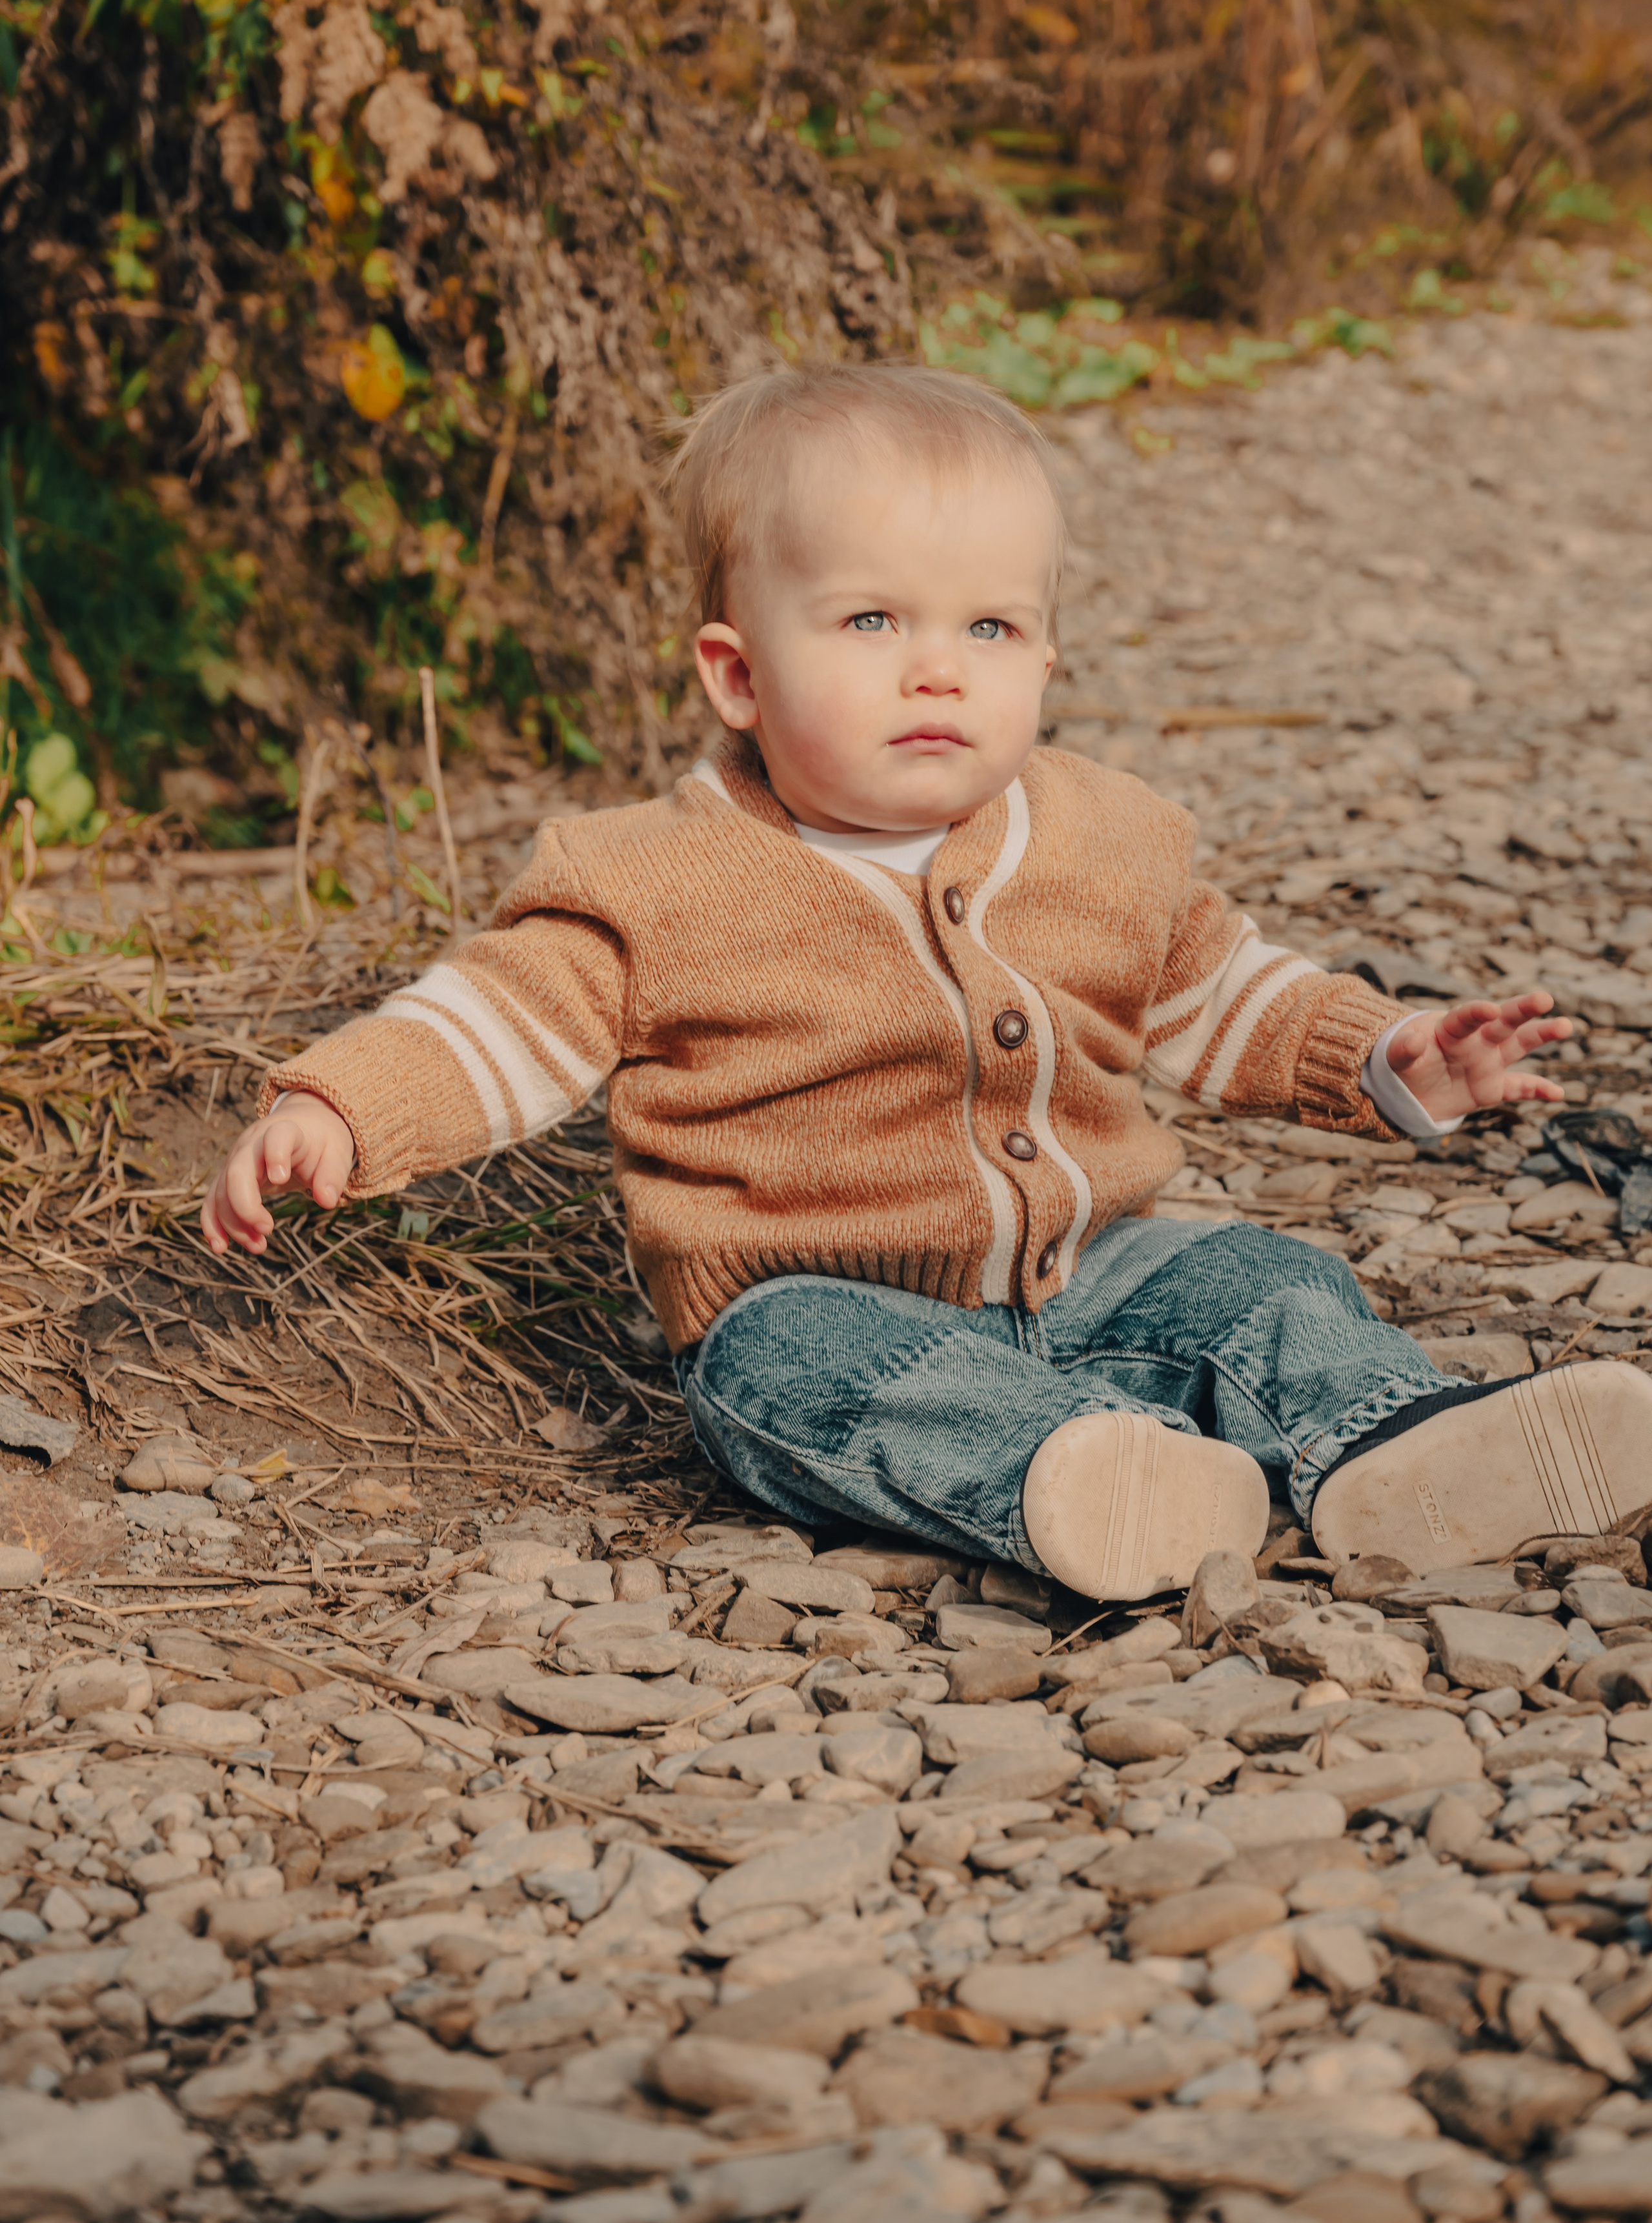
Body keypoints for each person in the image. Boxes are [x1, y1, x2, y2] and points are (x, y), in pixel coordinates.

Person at [199, 364, 1652, 1598]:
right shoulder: (649, 877)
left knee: (1264, 1279)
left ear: (1044, 656)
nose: (937, 672)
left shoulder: (1102, 835)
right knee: (785, 1380)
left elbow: (1214, 991)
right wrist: (342, 1108)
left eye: (988, 630)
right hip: (815, 1294)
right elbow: (497, 1019)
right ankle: (1076, 1483)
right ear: (736, 675)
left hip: (1094, 1276)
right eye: (870, 623)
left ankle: (1393, 1447)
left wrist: (1387, 1056)